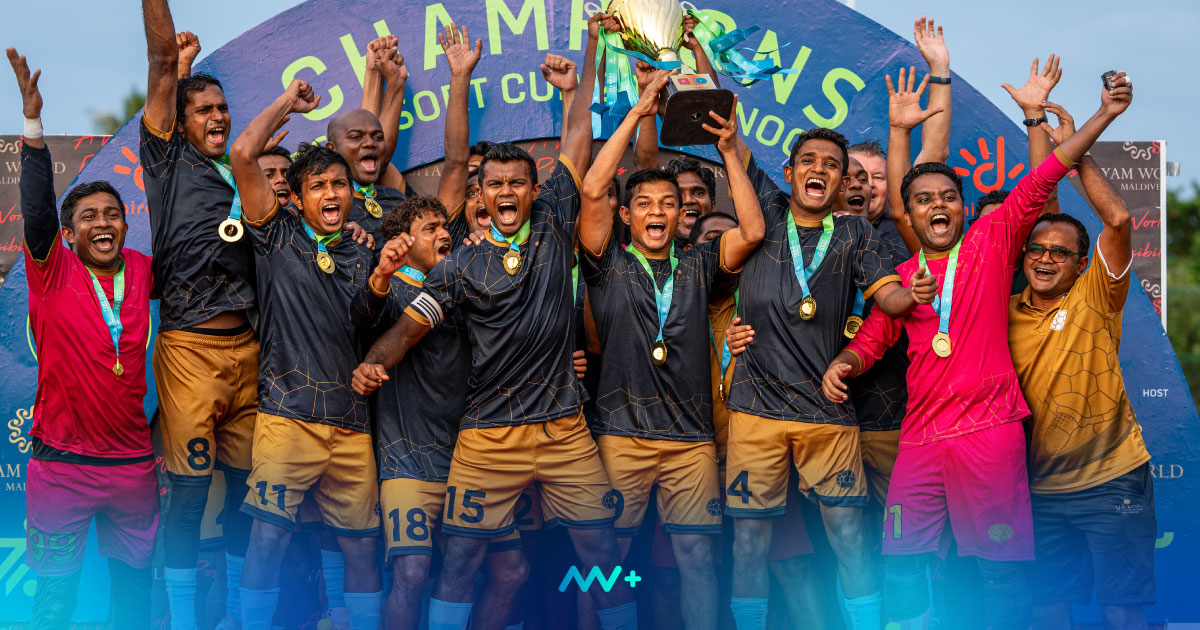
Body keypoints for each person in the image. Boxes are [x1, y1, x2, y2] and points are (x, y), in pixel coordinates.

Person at [352, 16, 642, 630]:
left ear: (535, 192)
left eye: (517, 183)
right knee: (461, 561)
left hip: (565, 430)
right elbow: (408, 329)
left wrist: (592, 57)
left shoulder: (556, 223)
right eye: (494, 185)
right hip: (487, 438)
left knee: (603, 554)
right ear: (479, 196)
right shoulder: (458, 267)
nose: (506, 192)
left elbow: (577, 137)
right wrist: (374, 362)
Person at [826, 66, 1132, 630]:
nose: (937, 205)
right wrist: (844, 363)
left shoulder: (990, 243)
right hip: (920, 439)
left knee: (998, 570)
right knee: (902, 563)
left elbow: (1048, 173)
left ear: (962, 207)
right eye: (924, 199)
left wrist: (1103, 115)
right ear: (910, 214)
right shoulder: (902, 277)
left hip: (989, 434)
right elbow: (873, 336)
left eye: (948, 196)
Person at [719, 105, 933, 629]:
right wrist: (705, 75)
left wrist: (914, 294)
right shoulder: (766, 211)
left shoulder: (856, 232)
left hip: (826, 410)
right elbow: (734, 140)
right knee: (749, 540)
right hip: (755, 409)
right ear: (789, 172)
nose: (820, 169)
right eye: (809, 161)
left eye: (832, 164)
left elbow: (890, 299)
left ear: (841, 181)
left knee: (850, 535)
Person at [579, 69, 764, 629]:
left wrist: (728, 150)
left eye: (668, 203)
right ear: (627, 216)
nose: (657, 212)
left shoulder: (699, 263)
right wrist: (639, 113)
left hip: (690, 443)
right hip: (621, 434)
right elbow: (592, 189)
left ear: (682, 214)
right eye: (645, 204)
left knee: (698, 560)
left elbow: (753, 231)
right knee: (606, 563)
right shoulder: (607, 262)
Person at [229, 79, 390, 630]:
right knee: (268, 537)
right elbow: (243, 153)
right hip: (287, 417)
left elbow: (365, 323)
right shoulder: (275, 235)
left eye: (339, 184)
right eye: (317, 186)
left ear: (352, 194)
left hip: (351, 423)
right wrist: (288, 105)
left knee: (362, 547)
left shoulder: (363, 252)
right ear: (295, 199)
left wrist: (381, 279)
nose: (331, 193)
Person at [11, 48, 157, 630]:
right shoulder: (52, 270)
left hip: (133, 466)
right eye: (89, 217)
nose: (103, 223)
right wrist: (33, 125)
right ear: (69, 235)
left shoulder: (142, 269)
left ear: (125, 224)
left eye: (112, 214)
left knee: (134, 604)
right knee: (54, 605)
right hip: (62, 468)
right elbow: (36, 209)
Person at [1005, 98, 1154, 630]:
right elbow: (1041, 203)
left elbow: (1118, 219)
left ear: (1082, 264)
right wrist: (1038, 129)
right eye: (1037, 250)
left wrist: (1079, 151)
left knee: (1121, 610)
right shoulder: (1004, 309)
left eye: (1060, 253)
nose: (1045, 258)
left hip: (1111, 481)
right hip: (1037, 490)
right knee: (1047, 610)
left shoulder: (1095, 296)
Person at [140, 2, 260, 627]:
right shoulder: (167, 162)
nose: (217, 116)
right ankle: (183, 618)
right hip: (189, 350)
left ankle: (236, 609)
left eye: (222, 108)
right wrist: (175, 62)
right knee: (189, 492)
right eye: (203, 110)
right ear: (180, 123)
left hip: (251, 351)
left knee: (244, 487)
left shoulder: (241, 169)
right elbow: (163, 66)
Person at [324, 35, 408, 240]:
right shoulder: (325, 206)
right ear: (331, 150)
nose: (369, 143)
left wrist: (386, 78)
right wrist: (379, 76)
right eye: (355, 137)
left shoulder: (394, 196)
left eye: (378, 137)